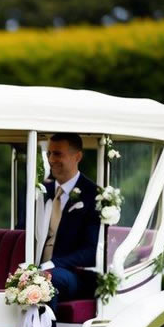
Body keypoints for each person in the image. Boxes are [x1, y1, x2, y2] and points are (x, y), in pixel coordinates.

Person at [38, 132, 100, 313]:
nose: (51, 159)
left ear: (77, 157)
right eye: (49, 153)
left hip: (73, 273)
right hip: (36, 266)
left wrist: (52, 264)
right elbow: (22, 230)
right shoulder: (39, 191)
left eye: (57, 154)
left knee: (47, 280)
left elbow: (91, 251)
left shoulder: (94, 195)